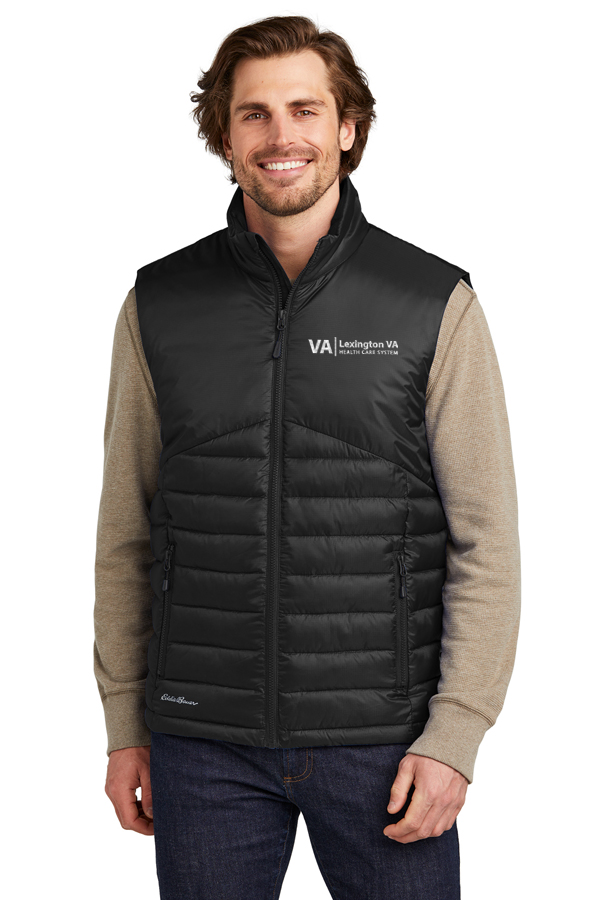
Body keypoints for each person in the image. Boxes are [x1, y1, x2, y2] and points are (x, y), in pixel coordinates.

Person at [94, 15, 521, 899]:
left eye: (305, 110)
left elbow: (487, 541)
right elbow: (126, 533)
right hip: (201, 743)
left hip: (385, 746)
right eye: (253, 114)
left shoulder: (432, 303)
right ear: (224, 136)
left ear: (347, 128)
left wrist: (456, 734)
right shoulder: (159, 305)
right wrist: (125, 722)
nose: (280, 135)